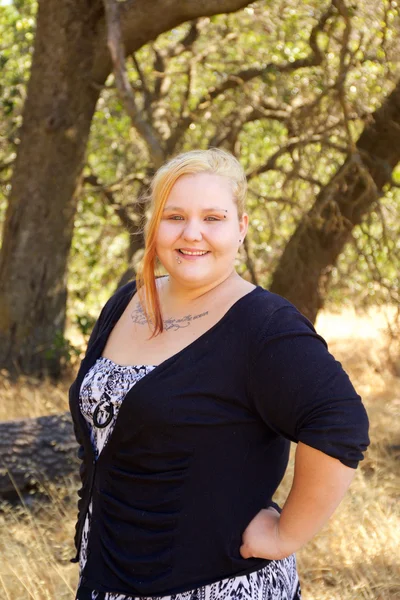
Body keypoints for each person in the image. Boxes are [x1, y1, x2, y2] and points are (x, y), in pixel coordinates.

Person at [69, 148, 370, 600]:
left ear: (241, 227)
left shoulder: (264, 326)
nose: (192, 234)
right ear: (154, 225)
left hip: (213, 584)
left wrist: (285, 535)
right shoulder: (127, 303)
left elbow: (341, 424)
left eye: (213, 217)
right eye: (174, 217)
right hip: (108, 574)